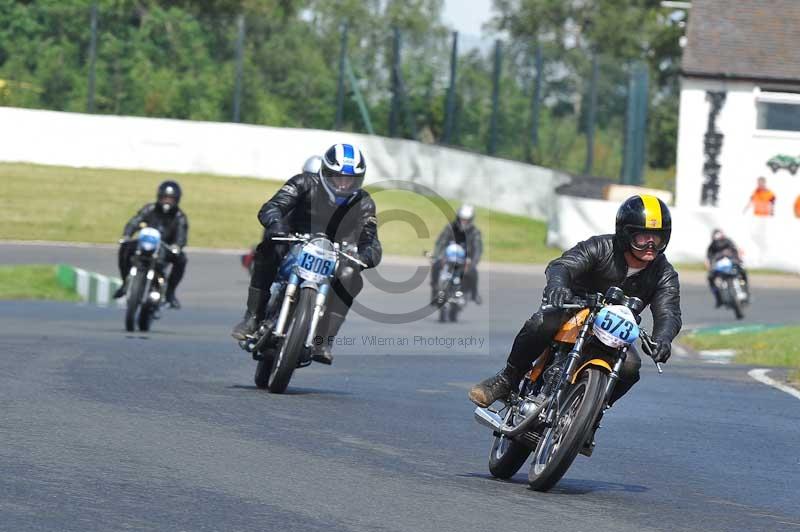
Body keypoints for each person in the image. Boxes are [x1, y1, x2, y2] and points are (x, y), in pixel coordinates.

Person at [468, 195, 681, 411]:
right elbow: (563, 265)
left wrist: (663, 338)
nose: (651, 245)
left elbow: (669, 311)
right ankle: (507, 379)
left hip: (615, 331)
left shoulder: (664, 273)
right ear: (626, 234)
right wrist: (558, 286)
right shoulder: (600, 247)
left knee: (631, 368)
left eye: (657, 238)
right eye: (643, 237)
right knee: (541, 322)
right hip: (575, 309)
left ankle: (593, 412)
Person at [231, 143, 382, 365]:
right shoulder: (303, 183)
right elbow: (273, 206)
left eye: (350, 179)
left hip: (335, 253)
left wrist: (366, 256)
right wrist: (276, 224)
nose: (344, 184)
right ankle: (252, 317)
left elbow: (371, 240)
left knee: (351, 275)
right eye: (338, 177)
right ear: (325, 172)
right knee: (267, 249)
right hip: (294, 240)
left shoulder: (364, 202)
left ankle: (324, 340)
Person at [113, 180, 188, 308]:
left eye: (170, 199)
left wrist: (177, 246)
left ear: (177, 200)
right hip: (145, 244)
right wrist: (127, 235)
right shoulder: (149, 209)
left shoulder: (180, 217)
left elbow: (182, 236)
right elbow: (135, 221)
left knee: (182, 259)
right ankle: (125, 282)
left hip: (165, 249)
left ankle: (170, 293)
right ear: (159, 197)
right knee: (125, 247)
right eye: (165, 198)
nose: (167, 202)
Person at [431, 204, 483, 305]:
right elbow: (441, 242)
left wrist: (473, 263)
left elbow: (478, 249)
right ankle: (435, 291)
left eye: (466, 220)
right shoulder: (450, 228)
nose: (463, 221)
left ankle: (474, 294)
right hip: (448, 256)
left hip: (466, 259)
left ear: (471, 219)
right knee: (436, 266)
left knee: (473, 272)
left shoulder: (475, 232)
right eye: (462, 219)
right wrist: (439, 256)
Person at [706, 228, 747, 307]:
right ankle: (718, 297)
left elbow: (737, 251)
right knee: (710, 278)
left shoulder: (728, 242)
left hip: (732, 263)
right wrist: (710, 267)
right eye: (717, 242)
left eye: (720, 241)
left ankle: (744, 286)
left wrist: (738, 259)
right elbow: (708, 259)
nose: (719, 244)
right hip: (720, 268)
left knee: (742, 272)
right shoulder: (711, 247)